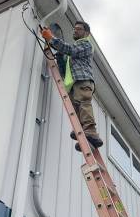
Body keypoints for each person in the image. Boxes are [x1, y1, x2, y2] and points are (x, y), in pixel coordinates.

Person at [41, 21, 103, 150]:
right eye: (74, 29)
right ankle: (89, 142)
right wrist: (59, 56)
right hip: (73, 84)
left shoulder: (86, 44)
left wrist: (51, 39)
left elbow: (70, 50)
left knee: (83, 104)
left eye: (79, 29)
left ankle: (91, 132)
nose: (75, 30)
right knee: (77, 111)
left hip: (82, 80)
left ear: (86, 33)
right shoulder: (74, 51)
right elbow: (64, 68)